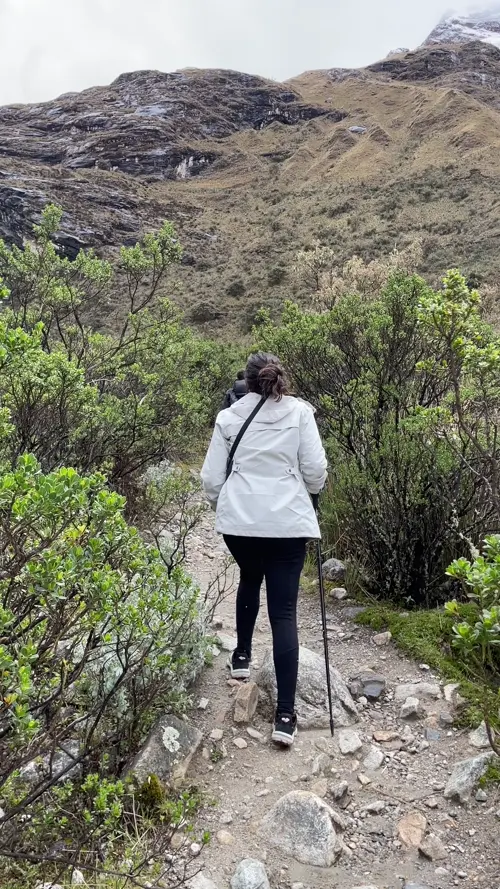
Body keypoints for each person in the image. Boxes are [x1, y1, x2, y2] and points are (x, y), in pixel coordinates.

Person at [201, 352, 327, 746]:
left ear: (248, 382)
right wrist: (306, 494)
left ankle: (241, 657)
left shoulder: (229, 417)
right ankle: (285, 716)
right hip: (288, 525)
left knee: (249, 577)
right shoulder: (301, 413)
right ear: (278, 379)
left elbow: (210, 479)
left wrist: (228, 503)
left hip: (240, 525)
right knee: (284, 611)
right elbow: (316, 472)